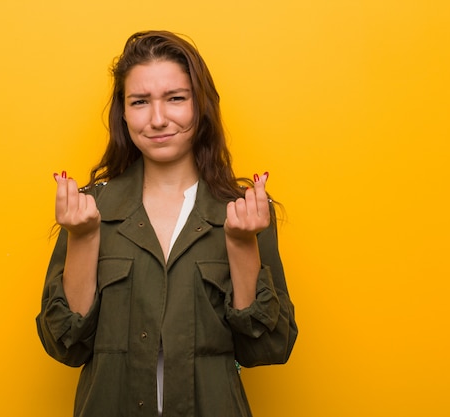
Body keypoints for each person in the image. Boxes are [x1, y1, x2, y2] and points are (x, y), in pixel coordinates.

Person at [36, 30, 298, 417]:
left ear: (201, 106)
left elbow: (268, 348)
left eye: (176, 98)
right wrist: (83, 237)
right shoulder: (89, 208)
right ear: (123, 113)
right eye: (140, 102)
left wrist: (243, 246)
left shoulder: (246, 211)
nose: (158, 119)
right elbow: (66, 346)